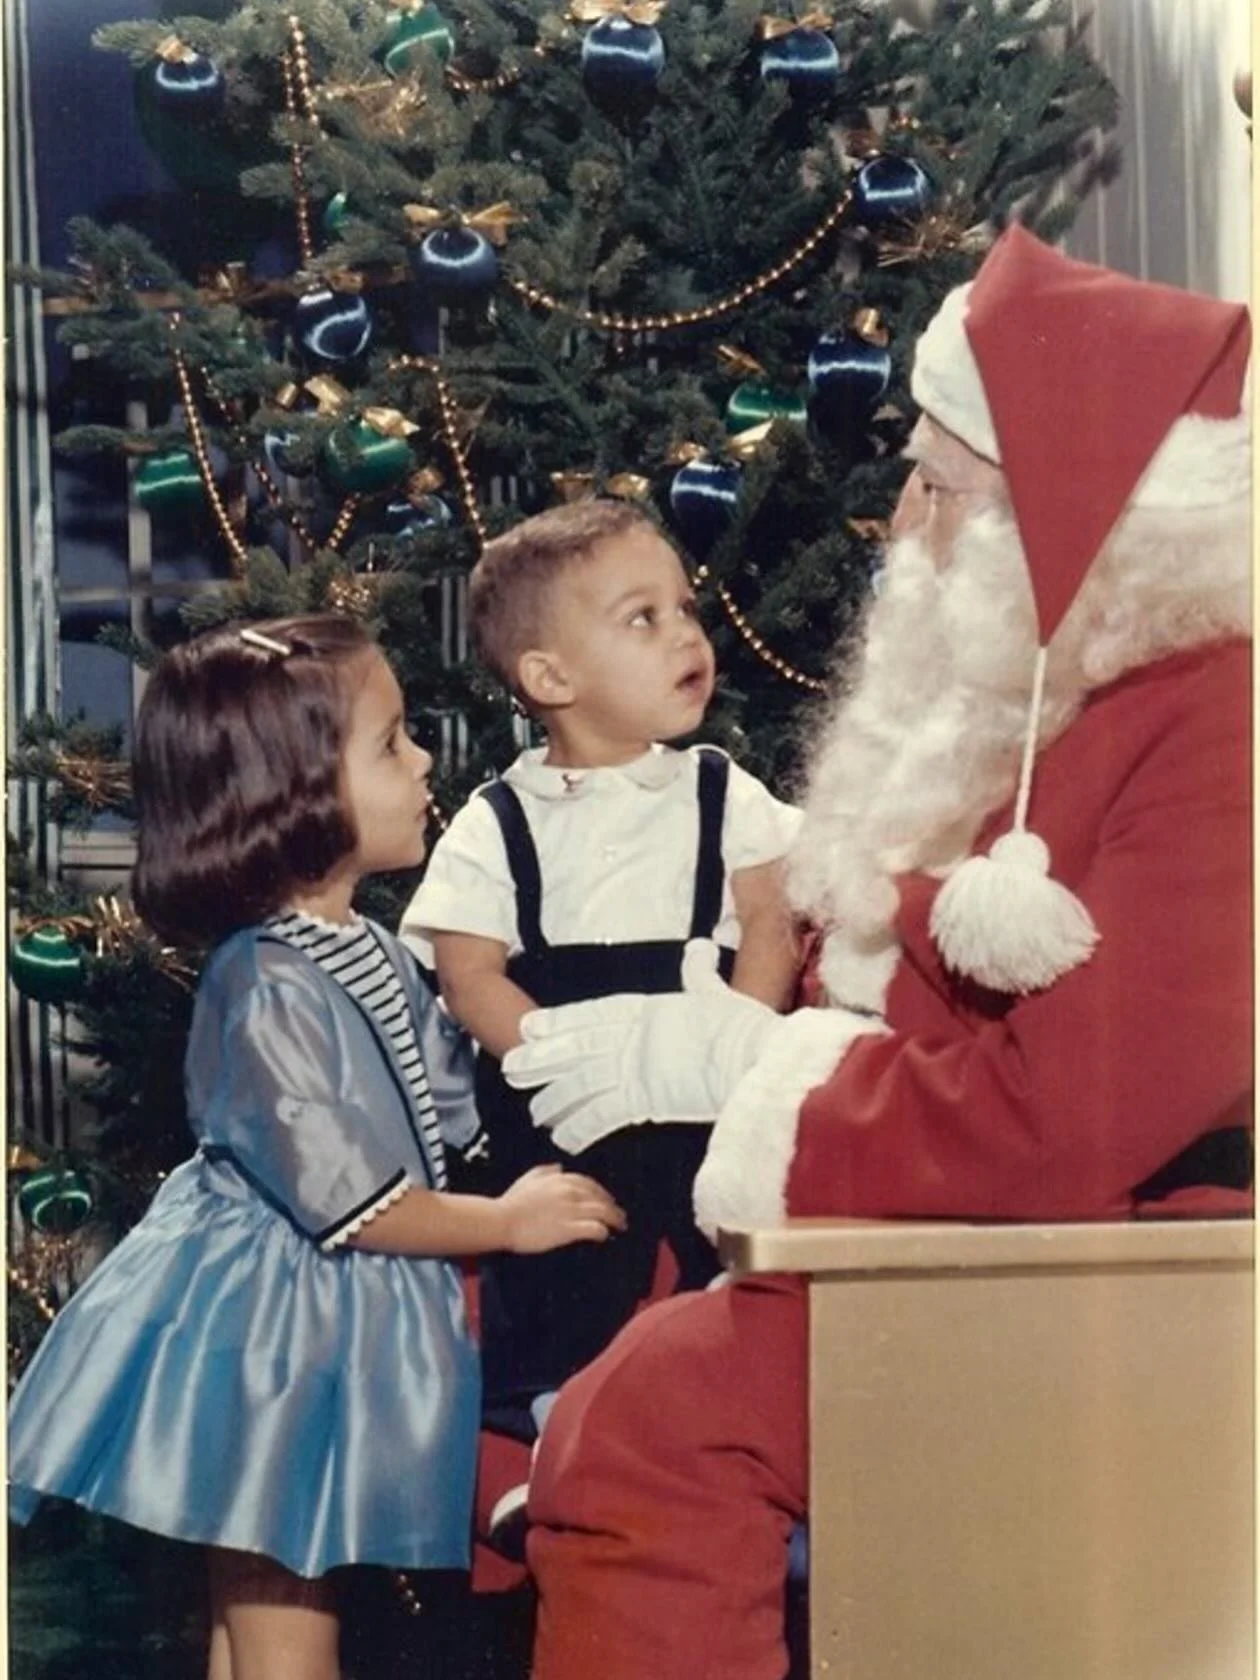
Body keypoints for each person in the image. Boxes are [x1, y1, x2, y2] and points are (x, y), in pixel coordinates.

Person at [498, 225, 1254, 1680]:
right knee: (627, 1394)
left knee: (650, 1430)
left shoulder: (1216, 722)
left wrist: (764, 1080)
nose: (901, 522)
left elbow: (1073, 1116)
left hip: (1105, 1286)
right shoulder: (1064, 686)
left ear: (1059, 511)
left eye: (938, 485)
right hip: (991, 1247)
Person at [7, 615, 624, 1680]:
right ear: (292, 795)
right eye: (390, 744)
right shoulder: (263, 982)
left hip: (328, 1319)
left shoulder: (364, 945)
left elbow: (444, 1107)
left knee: (260, 1612)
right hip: (274, 1338)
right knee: (286, 1616)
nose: (423, 761)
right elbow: (359, 1202)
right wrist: (507, 1223)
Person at [399, 499, 802, 1446]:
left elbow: (771, 917)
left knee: (723, 1252)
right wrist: (551, 1053)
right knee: (568, 1254)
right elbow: (468, 973)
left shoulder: (721, 788)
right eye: (643, 618)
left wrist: (739, 1037)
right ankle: (552, 1417)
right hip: (566, 1102)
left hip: (708, 1090)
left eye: (685, 609)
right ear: (551, 677)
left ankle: (722, 1421)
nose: (686, 635)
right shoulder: (497, 821)